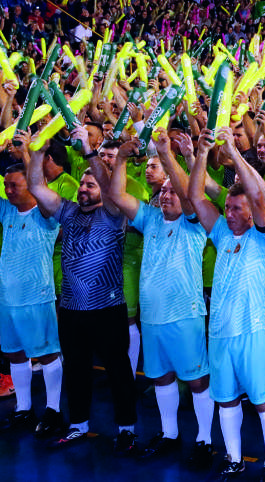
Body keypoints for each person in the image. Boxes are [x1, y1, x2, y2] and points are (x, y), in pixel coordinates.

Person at [104, 130, 215, 466]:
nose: (166, 196)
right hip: (153, 316)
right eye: (162, 191)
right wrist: (121, 158)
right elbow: (117, 195)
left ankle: (205, 439)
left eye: (172, 191)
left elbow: (189, 194)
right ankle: (170, 434)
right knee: (161, 377)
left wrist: (167, 155)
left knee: (196, 380)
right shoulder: (150, 219)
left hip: (185, 315)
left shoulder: (194, 224)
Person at [25, 132, 139, 454]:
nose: (84, 189)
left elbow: (107, 183)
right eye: (82, 185)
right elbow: (36, 187)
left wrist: (90, 153)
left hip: (108, 308)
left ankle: (127, 428)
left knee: (118, 370)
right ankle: (78, 424)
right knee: (76, 368)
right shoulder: (68, 212)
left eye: (90, 185)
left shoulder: (114, 215)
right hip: (72, 309)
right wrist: (39, 151)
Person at [187, 128, 265, 482]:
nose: (228, 213)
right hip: (221, 333)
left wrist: (232, 150)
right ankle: (234, 458)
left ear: (251, 213)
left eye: (235, 208)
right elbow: (196, 197)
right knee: (225, 399)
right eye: (227, 207)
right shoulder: (222, 233)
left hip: (253, 332)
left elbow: (259, 195)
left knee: (263, 401)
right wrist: (200, 154)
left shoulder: (263, 237)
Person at [0, 160, 64, 440]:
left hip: (37, 299)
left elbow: (44, 188)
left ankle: (53, 409)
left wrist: (29, 157)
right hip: (7, 299)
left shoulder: (45, 215)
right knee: (14, 353)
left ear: (32, 185)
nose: (8, 190)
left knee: (48, 353)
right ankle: (24, 408)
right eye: (5, 185)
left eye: (14, 185)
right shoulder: (8, 212)